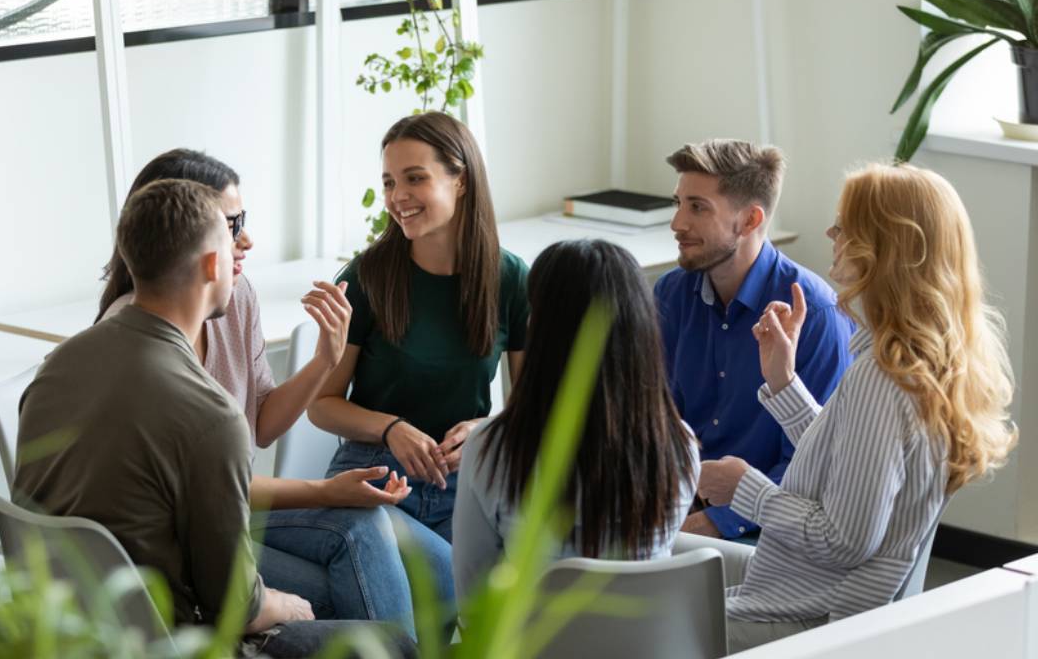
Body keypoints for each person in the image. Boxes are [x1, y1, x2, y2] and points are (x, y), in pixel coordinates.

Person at [15, 179, 404, 657]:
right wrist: (285, 605)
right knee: (391, 643)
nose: (245, 246)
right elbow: (237, 608)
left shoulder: (58, 365)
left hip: (72, 629)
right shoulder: (210, 416)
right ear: (213, 264)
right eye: (231, 235)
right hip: (169, 640)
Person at [689, 163, 1017, 651]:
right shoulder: (915, 364)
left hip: (808, 621)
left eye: (843, 225)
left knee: (610, 623)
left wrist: (744, 488)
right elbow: (856, 465)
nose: (830, 234)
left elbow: (841, 539)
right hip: (814, 604)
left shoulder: (883, 379)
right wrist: (783, 381)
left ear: (881, 248)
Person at [97, 149, 421, 636]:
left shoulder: (236, 294)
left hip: (231, 515)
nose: (247, 239)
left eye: (241, 220)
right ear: (186, 236)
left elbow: (262, 425)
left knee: (367, 538)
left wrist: (325, 362)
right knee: (349, 572)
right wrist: (325, 491)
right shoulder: (136, 338)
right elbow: (199, 496)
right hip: (188, 539)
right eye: (232, 224)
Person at [309, 112, 529, 614]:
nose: (397, 197)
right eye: (389, 182)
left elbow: (532, 406)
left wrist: (485, 428)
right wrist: (392, 429)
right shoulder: (369, 276)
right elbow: (321, 405)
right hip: (376, 478)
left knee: (499, 601)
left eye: (415, 178)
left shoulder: (510, 278)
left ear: (462, 180)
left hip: (467, 482)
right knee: (448, 588)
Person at [452, 239, 699, 607]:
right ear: (642, 331)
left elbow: (473, 597)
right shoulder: (680, 446)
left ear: (544, 330)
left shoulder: (493, 448)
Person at [654, 139, 854, 540]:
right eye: (677, 203)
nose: (677, 223)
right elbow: (656, 420)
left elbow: (813, 466)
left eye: (697, 207)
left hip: (769, 531)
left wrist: (716, 523)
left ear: (749, 221)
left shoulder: (816, 316)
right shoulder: (671, 295)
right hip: (680, 508)